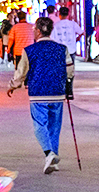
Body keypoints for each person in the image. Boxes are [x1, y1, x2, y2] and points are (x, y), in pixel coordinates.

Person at [8, 15, 70, 173]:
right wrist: (67, 86)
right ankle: (53, 160)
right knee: (54, 127)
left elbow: (21, 72)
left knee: (39, 125)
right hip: (57, 92)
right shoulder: (62, 49)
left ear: (37, 31)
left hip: (38, 93)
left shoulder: (29, 50)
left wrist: (13, 85)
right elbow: (70, 70)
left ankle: (49, 154)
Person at [1, 10, 34, 82]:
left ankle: (19, 80)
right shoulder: (31, 27)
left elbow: (11, 39)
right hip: (30, 50)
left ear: (18, 18)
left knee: (19, 66)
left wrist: (8, 48)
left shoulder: (15, 27)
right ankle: (27, 82)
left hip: (18, 50)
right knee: (29, 66)